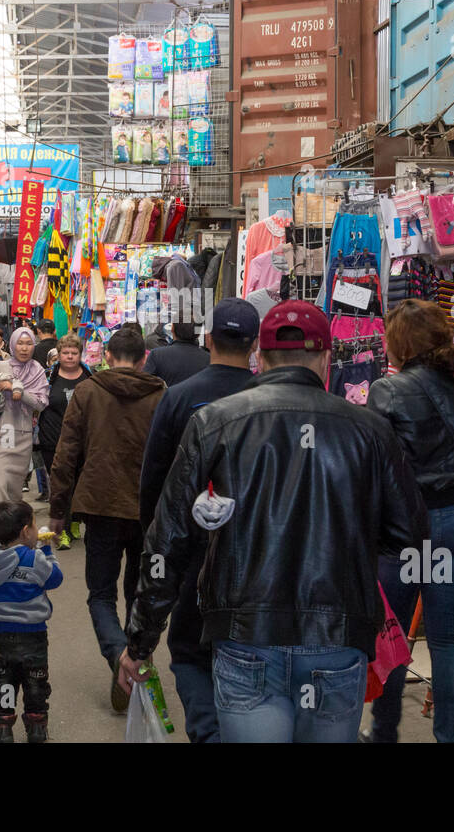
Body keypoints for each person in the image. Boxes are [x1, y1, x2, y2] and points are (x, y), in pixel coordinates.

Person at [119, 301, 427, 743]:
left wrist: (140, 642)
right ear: (325, 359)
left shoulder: (214, 423)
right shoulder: (369, 430)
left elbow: (166, 542)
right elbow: (408, 534)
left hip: (247, 637)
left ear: (259, 358)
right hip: (337, 637)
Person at [136, 298, 259, 743]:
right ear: (254, 344)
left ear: (208, 339)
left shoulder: (179, 397)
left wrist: (154, 547)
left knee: (189, 652)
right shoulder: (267, 398)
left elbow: (154, 480)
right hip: (257, 551)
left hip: (190, 551)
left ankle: (209, 732)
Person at [366, 299, 454, 743]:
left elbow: (373, 465)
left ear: (401, 343)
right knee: (449, 640)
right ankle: (449, 739)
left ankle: (383, 734)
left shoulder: (388, 390)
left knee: (393, 638)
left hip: (407, 528)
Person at [48, 328, 165, 712]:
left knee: (101, 593)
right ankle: (136, 657)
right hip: (147, 509)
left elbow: (66, 455)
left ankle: (119, 656)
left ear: (108, 356)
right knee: (138, 591)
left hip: (100, 504)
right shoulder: (161, 395)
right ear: (144, 357)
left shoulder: (88, 392)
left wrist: (58, 511)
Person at [0, 500, 64, 743]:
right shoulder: (35, 558)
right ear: (26, 531)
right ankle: (36, 727)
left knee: (4, 680)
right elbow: (55, 579)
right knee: (35, 680)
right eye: (35, 526)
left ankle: (1, 727)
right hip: (34, 634)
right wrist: (47, 551)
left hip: (2, 635)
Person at [0, 326, 51, 537]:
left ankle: (11, 537)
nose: (24, 348)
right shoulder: (0, 366)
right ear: (12, 344)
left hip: (21, 436)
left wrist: (18, 390)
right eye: (20, 343)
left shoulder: (38, 369)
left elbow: (41, 404)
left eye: (28, 343)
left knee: (12, 493)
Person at [38, 334, 93, 549]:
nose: (70, 357)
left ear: (80, 355)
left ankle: (76, 521)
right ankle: (63, 530)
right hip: (53, 439)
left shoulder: (89, 376)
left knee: (80, 483)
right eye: (65, 353)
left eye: (74, 353)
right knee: (60, 485)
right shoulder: (49, 377)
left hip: (83, 440)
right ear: (58, 355)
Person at [142, 321, 209, 386]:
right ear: (198, 334)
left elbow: (144, 385)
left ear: (172, 329)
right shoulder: (208, 359)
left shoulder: (156, 355)